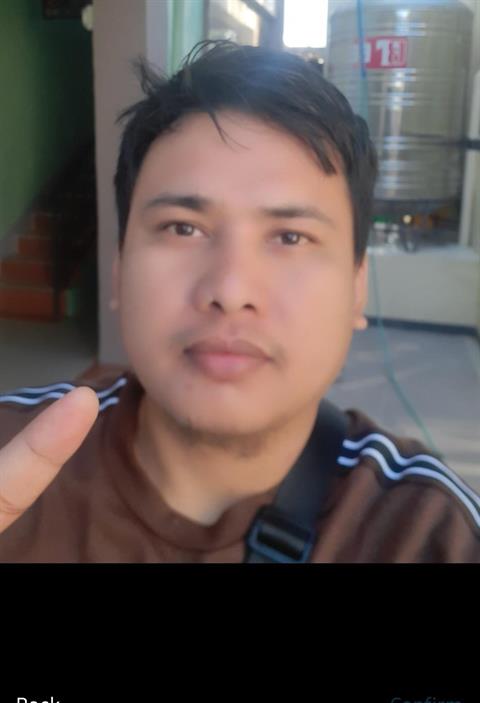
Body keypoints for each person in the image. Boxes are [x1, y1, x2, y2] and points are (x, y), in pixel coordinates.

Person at [0, 41, 478, 563]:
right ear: (118, 271)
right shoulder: (12, 454)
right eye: (182, 228)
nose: (230, 291)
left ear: (357, 286)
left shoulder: (432, 534)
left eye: (291, 236)